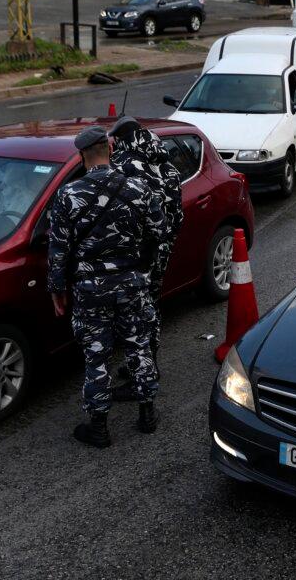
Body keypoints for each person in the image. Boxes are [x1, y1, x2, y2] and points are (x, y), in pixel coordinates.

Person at [47, 126, 166, 448]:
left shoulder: (69, 195)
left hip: (90, 289)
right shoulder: (140, 188)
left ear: (82, 156)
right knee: (138, 346)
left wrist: (57, 289)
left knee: (96, 357)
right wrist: (144, 267)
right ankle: (146, 414)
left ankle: (99, 426)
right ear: (110, 150)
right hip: (132, 283)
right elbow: (159, 232)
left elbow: (59, 248)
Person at [107, 116, 184, 399]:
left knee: (133, 314)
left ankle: (140, 375)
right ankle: (148, 365)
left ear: (122, 140)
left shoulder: (124, 168)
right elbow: (177, 217)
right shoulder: (167, 167)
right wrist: (164, 243)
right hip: (161, 250)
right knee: (151, 305)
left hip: (134, 254)